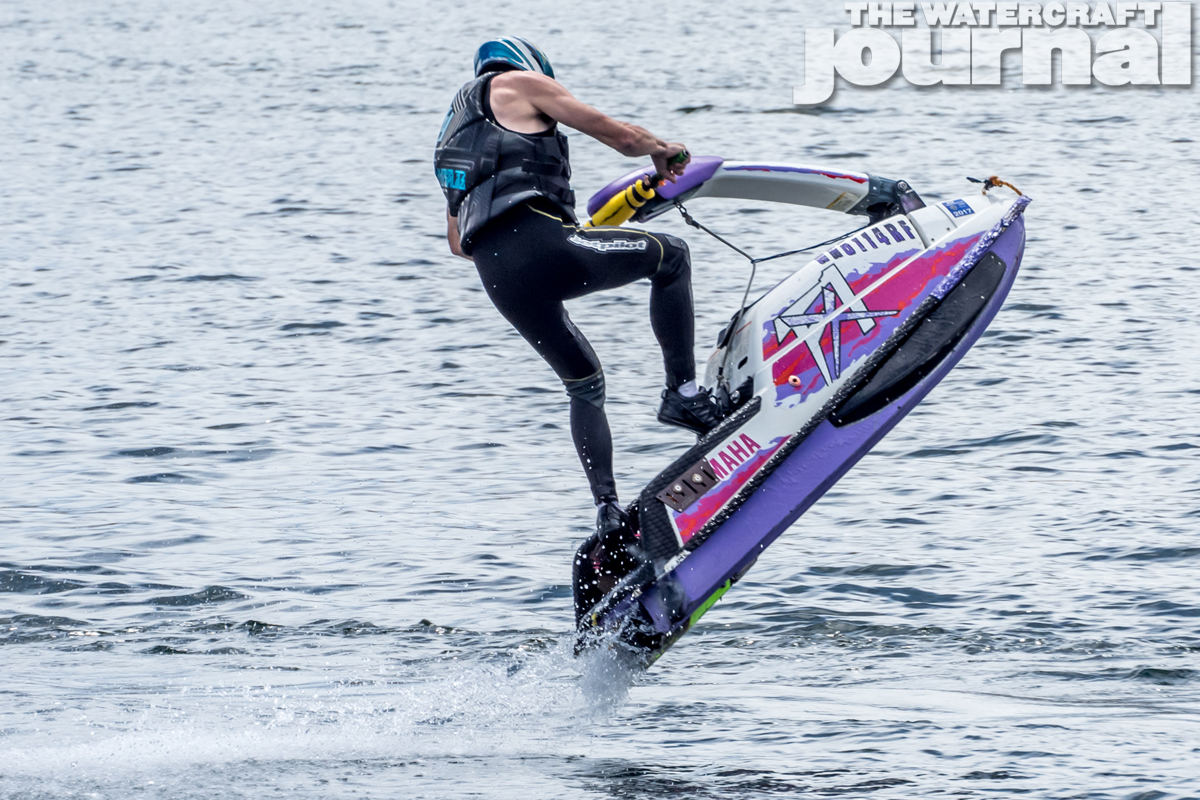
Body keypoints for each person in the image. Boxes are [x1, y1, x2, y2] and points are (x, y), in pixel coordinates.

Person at [434, 37, 724, 614]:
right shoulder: (515, 83)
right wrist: (662, 149)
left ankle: (609, 509)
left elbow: (456, 245)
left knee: (584, 385)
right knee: (671, 257)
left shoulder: (451, 137)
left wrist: (557, 231)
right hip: (545, 245)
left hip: (500, 276)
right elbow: (618, 135)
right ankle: (683, 395)